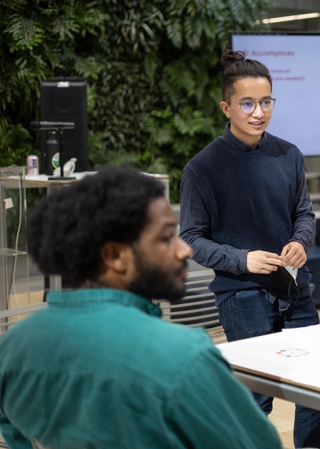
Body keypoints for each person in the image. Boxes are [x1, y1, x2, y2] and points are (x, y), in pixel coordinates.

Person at [0, 166, 281, 449]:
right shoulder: (184, 356)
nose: (184, 250)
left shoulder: (11, 348)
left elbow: (14, 435)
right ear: (115, 256)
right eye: (166, 237)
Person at [180, 50, 320, 448]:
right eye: (247, 104)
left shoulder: (289, 154)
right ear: (227, 107)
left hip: (295, 287)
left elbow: (304, 214)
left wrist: (300, 241)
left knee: (315, 388)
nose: (258, 112)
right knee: (255, 398)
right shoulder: (202, 168)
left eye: (266, 102)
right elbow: (190, 238)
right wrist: (242, 259)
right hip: (241, 293)